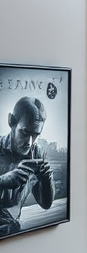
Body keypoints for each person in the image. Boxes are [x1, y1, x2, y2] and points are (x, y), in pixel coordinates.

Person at [0, 96, 54, 237]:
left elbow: (46, 204)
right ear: (11, 122)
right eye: (24, 132)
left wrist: (46, 180)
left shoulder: (36, 153)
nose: (30, 142)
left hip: (14, 232)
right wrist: (3, 181)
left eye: (36, 135)